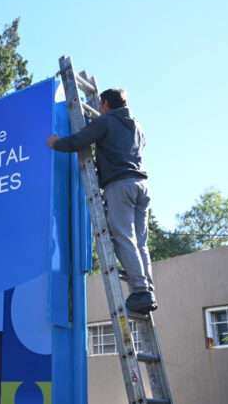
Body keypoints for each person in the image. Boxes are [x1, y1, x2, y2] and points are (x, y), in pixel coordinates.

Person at [46, 88, 156, 313]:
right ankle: (147, 289)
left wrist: (56, 143)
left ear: (105, 104)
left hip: (120, 185)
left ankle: (140, 290)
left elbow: (80, 140)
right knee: (140, 242)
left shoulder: (106, 121)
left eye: (100, 104)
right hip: (142, 186)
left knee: (123, 236)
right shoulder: (137, 126)